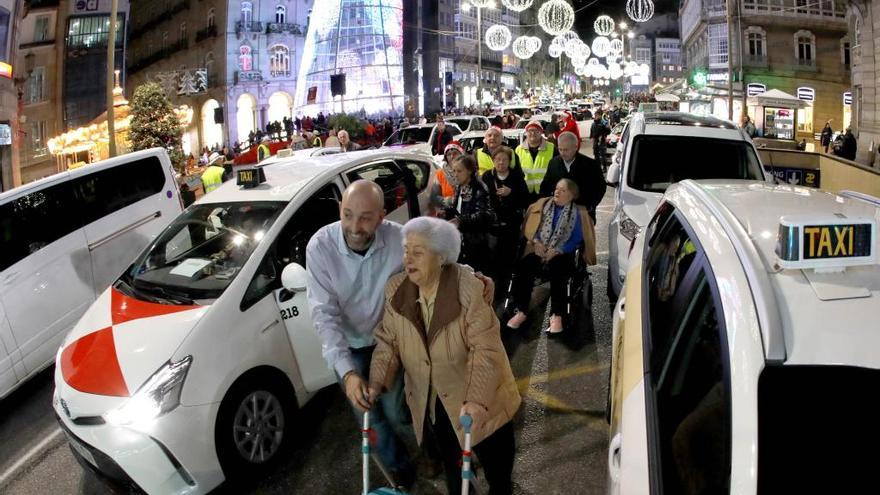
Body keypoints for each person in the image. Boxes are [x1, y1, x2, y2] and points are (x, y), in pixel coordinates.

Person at [368, 216, 521, 495]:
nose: (408, 259)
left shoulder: (469, 287)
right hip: (437, 405)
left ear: (441, 257)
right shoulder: (396, 290)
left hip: (484, 403)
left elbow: (486, 348)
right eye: (405, 250)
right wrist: (377, 381)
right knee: (457, 480)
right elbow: (388, 341)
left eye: (418, 252)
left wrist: (476, 400)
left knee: (498, 476)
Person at [306, 181, 417, 489]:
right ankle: (401, 472)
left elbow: (434, 265)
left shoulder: (399, 238)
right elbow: (324, 316)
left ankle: (430, 451)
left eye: (366, 217)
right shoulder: (320, 247)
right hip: (349, 348)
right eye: (348, 214)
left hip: (387, 342)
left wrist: (474, 277)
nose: (355, 226)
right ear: (339, 209)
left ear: (381, 217)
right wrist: (348, 373)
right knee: (372, 420)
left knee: (397, 411)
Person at [506, 179, 597, 335]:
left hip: (561, 252)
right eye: (556, 189)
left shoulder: (578, 213)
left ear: (572, 195)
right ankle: (521, 310)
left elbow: (576, 239)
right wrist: (536, 243)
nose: (557, 192)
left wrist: (559, 250)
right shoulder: (543, 206)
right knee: (523, 268)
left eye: (562, 190)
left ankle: (557, 315)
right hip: (539, 247)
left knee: (560, 273)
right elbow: (531, 227)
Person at [482, 146, 530, 288]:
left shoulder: (516, 176)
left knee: (509, 254)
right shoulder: (487, 176)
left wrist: (511, 193)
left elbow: (525, 199)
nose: (501, 163)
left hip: (512, 223)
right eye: (497, 159)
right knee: (493, 255)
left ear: (509, 161)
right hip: (493, 223)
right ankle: (494, 284)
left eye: (504, 160)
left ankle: (508, 284)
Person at [442, 154, 496, 275]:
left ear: (470, 171)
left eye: (459, 171)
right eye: (454, 171)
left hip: (476, 243)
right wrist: (447, 211)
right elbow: (459, 209)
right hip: (461, 242)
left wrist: (461, 221)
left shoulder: (479, 188)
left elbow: (485, 215)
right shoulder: (459, 187)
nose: (455, 174)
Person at [539, 131, 606, 222]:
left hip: (583, 216)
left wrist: (590, 206)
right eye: (560, 149)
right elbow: (545, 186)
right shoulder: (553, 163)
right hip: (557, 216)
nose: (562, 153)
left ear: (575, 147)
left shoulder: (591, 165)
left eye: (566, 150)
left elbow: (600, 187)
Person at [515, 121, 558, 198]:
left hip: (546, 192)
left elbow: (557, 170)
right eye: (530, 130)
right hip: (525, 193)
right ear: (526, 133)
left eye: (536, 131)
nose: (533, 133)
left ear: (541, 132)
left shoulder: (552, 148)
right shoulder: (518, 150)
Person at [430, 141, 464, 213]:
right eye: (449, 154)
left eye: (455, 153)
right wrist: (451, 201)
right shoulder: (440, 174)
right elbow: (434, 198)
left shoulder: (469, 171)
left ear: (461, 154)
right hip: (449, 213)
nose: (452, 156)